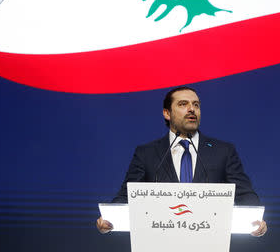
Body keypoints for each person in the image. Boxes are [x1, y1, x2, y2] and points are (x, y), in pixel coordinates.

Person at [97, 87, 267, 237]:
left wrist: (255, 219)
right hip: (161, 241)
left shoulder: (223, 151)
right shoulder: (147, 153)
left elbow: (244, 193)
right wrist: (110, 219)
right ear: (167, 113)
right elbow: (128, 194)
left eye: (196, 105)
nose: (191, 109)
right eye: (183, 104)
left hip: (208, 243)